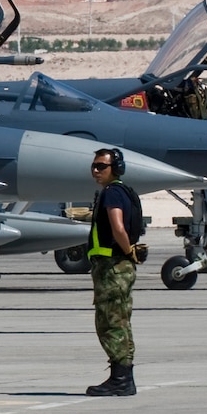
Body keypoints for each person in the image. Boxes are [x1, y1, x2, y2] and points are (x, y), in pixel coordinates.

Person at [85, 147, 145, 396]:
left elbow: (117, 227)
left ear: (115, 169)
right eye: (94, 166)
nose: (96, 171)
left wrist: (127, 249)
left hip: (112, 267)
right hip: (119, 267)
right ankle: (122, 378)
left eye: (102, 167)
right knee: (120, 320)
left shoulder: (112, 194)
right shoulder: (125, 192)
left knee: (110, 322)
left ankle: (120, 380)